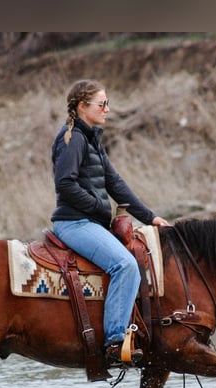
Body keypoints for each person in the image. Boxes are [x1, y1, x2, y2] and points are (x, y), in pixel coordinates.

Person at [51, 79, 170, 367]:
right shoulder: (73, 139)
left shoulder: (91, 138)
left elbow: (115, 183)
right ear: (82, 107)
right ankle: (115, 342)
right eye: (101, 104)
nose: (107, 109)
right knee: (125, 265)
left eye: (108, 103)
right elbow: (64, 184)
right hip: (75, 223)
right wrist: (99, 208)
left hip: (89, 222)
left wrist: (150, 217)